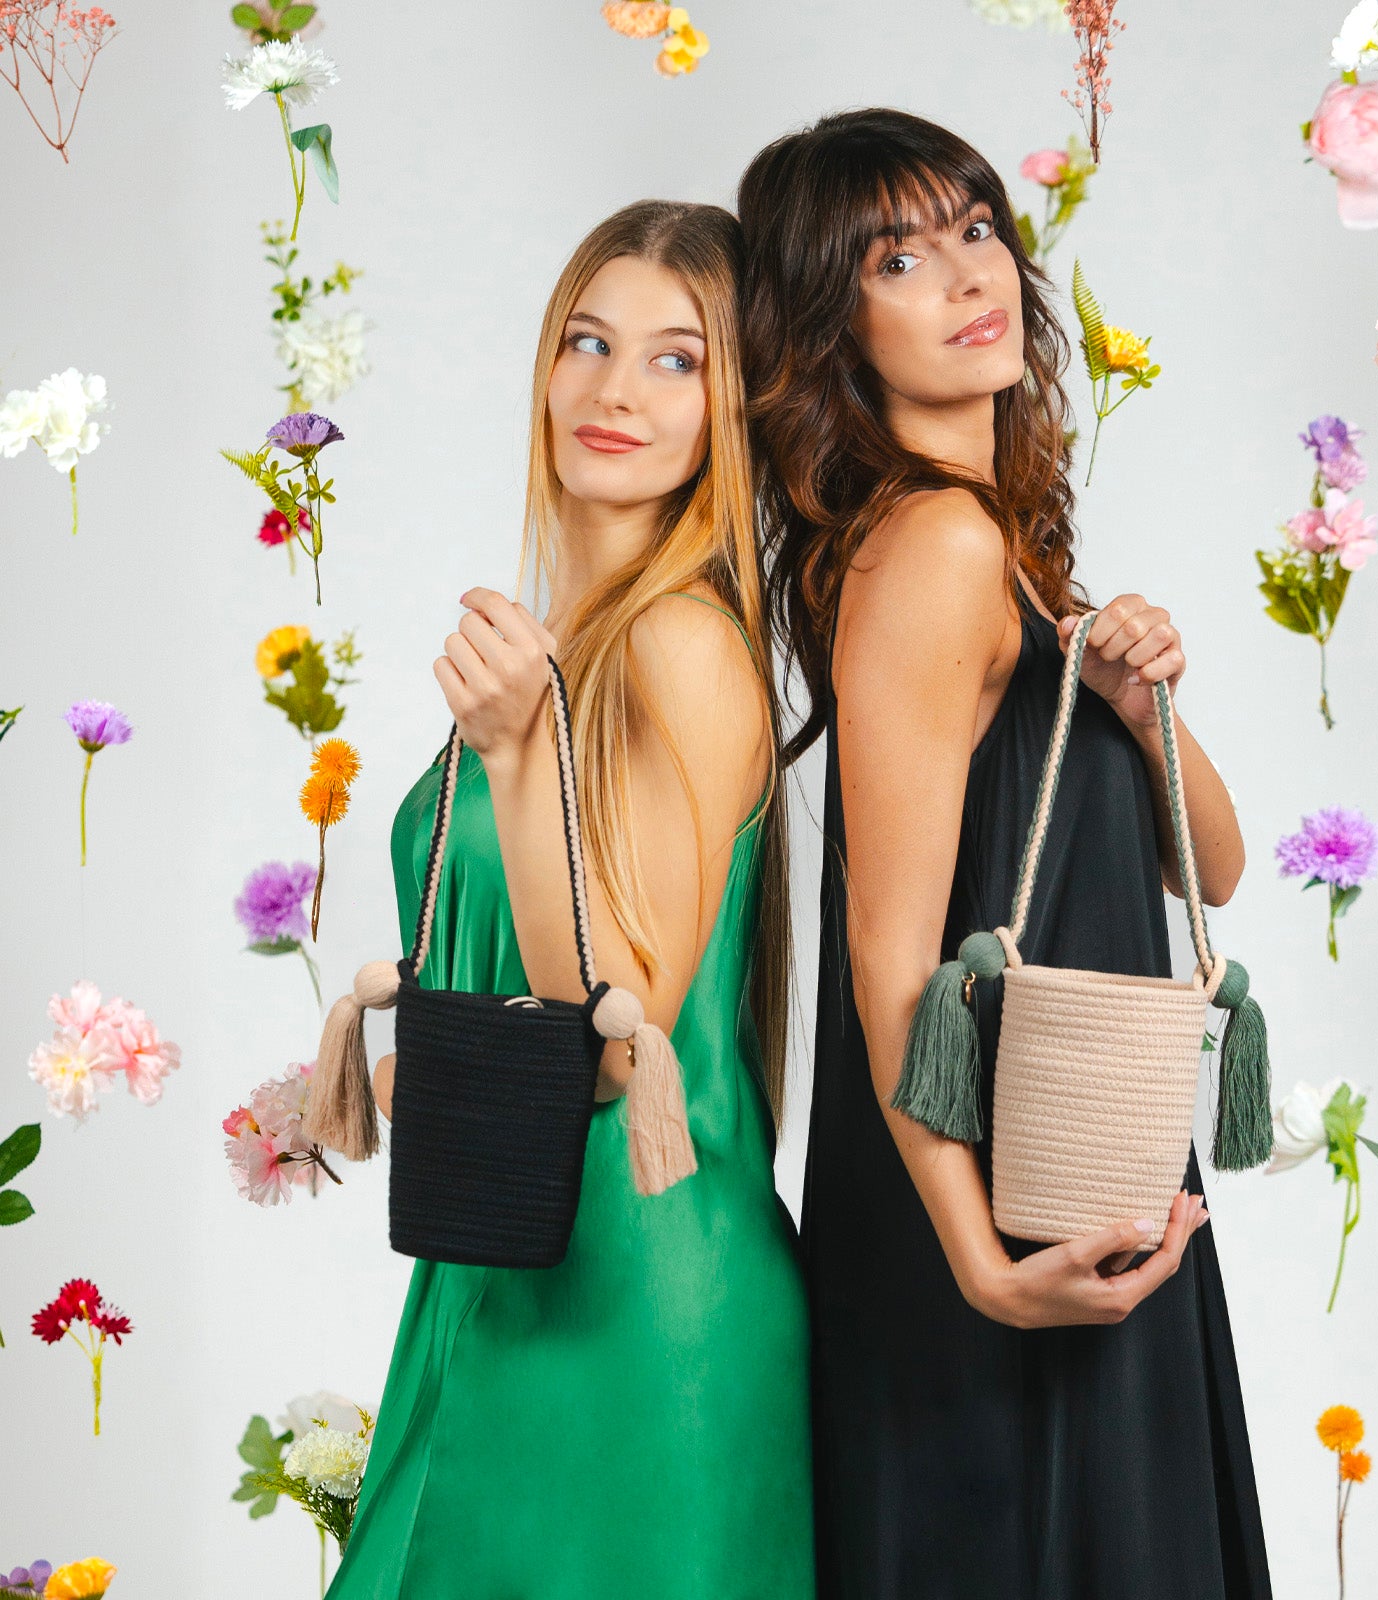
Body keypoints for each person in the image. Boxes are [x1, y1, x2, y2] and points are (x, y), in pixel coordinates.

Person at [738, 110, 1273, 1599]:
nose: (968, 273)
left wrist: (1136, 704)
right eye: (897, 260)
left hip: (1068, 1163)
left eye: (975, 228)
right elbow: (888, 954)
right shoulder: (936, 547)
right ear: (831, 328)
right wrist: (981, 1264)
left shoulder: (1006, 548)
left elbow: (1215, 869)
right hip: (996, 1207)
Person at [328, 200, 814, 1599]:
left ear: (735, 407)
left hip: (636, 1300)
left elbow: (612, 1031)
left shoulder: (679, 644)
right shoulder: (573, 643)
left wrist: (515, 754)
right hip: (508, 1258)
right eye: (588, 342)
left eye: (677, 359)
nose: (615, 390)